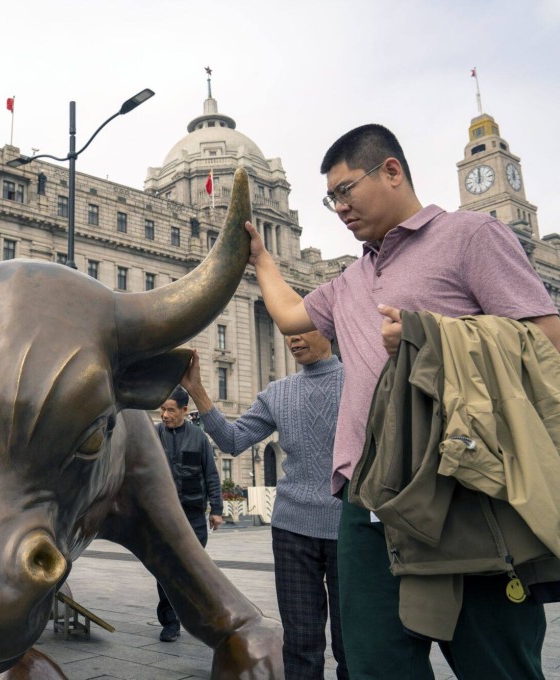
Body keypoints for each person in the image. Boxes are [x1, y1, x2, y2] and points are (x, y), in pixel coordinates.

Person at [246, 123, 560, 680]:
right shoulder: (350, 278)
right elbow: (291, 315)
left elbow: (545, 343)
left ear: (391, 170)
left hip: (464, 490)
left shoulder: (471, 235)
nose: (338, 207)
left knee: (496, 662)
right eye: (330, 198)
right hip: (365, 500)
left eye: (346, 190)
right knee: (373, 664)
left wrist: (431, 336)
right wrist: (261, 259)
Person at [182, 337, 347, 680]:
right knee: (301, 644)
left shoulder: (360, 381)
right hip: (292, 530)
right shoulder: (278, 392)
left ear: (328, 328)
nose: (292, 338)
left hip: (349, 528)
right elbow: (231, 440)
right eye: (287, 331)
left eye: (302, 327)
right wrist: (196, 391)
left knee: (354, 643)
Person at [155, 386, 223, 642]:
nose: (164, 415)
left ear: (184, 410)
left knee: (192, 569)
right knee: (165, 571)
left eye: (170, 410)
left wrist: (216, 509)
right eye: (162, 409)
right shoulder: (154, 436)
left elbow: (212, 475)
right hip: (163, 516)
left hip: (193, 515)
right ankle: (170, 622)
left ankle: (197, 616)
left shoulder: (199, 438)